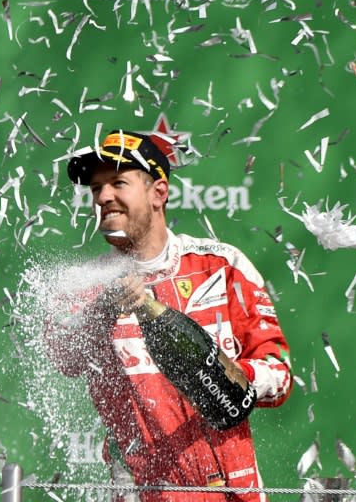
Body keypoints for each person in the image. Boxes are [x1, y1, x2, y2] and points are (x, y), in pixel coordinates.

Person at [44, 129, 293, 502]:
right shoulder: (84, 288)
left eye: (117, 183)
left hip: (233, 494)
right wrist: (104, 311)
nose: (104, 197)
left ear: (158, 192)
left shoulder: (221, 266)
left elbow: (280, 373)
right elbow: (65, 357)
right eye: (96, 189)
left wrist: (229, 378)